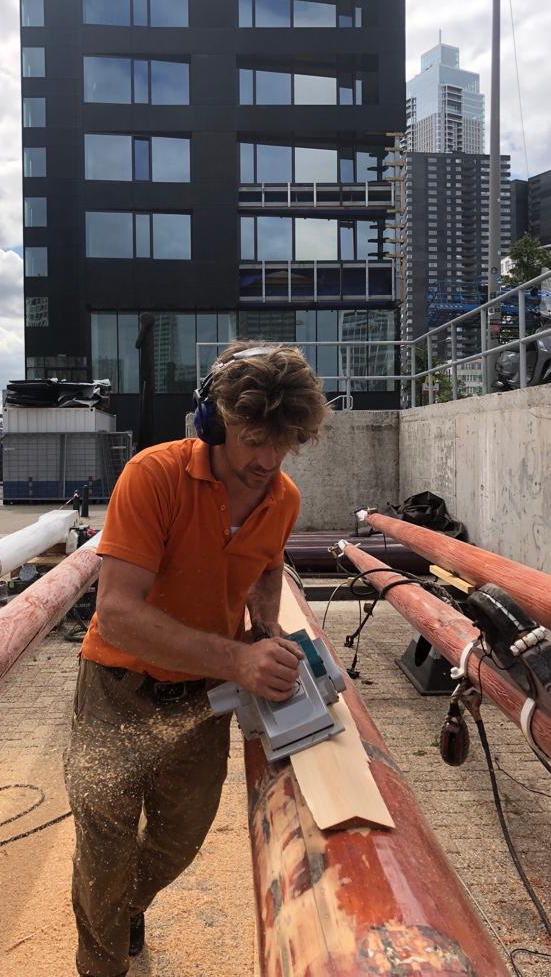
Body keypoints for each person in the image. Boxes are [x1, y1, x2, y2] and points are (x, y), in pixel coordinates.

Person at [64, 341, 328, 977]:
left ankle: (128, 907)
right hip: (117, 685)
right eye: (253, 441)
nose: (267, 460)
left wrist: (265, 628)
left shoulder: (283, 498)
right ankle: (102, 964)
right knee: (104, 844)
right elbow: (118, 612)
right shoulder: (153, 476)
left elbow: (267, 566)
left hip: (203, 696)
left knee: (179, 837)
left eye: (284, 443)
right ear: (214, 421)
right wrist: (238, 661)